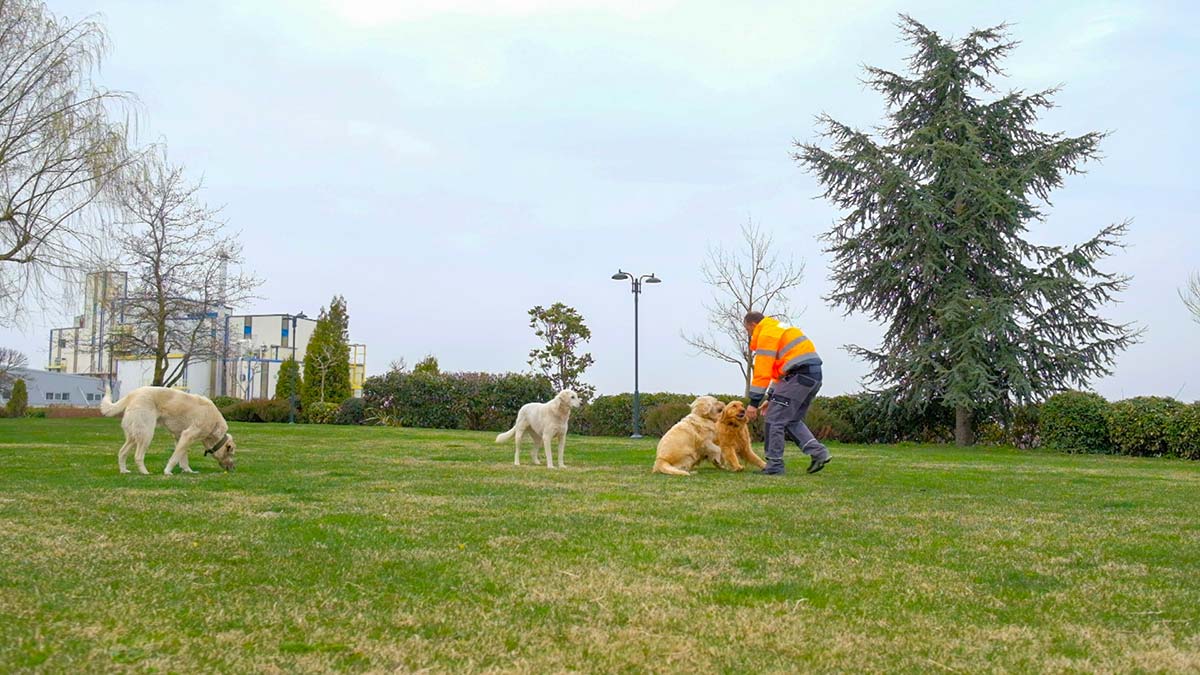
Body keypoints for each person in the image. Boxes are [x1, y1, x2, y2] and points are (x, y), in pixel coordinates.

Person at [743, 311, 831, 475]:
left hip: (797, 377)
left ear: (752, 325)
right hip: (812, 377)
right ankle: (819, 453)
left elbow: (762, 373)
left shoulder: (766, 335)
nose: (749, 335)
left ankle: (774, 466)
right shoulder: (779, 330)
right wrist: (770, 397)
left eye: (748, 331)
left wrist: (753, 403)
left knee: (774, 419)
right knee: (791, 420)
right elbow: (779, 374)